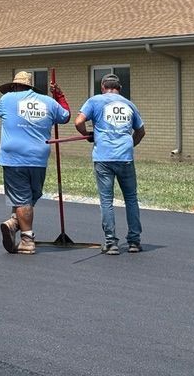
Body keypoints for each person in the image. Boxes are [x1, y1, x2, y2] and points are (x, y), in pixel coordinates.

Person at [0, 71, 70, 255]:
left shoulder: (6, 99)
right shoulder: (49, 102)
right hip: (38, 157)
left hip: (14, 157)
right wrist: (59, 95)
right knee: (29, 196)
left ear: (14, 86)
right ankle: (15, 224)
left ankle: (25, 237)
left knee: (22, 199)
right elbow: (66, 116)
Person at [74, 73, 146, 255]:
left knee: (107, 200)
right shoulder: (129, 104)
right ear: (120, 89)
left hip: (103, 157)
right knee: (131, 198)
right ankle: (134, 242)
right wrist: (130, 144)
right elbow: (141, 131)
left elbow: (78, 122)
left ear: (103, 87)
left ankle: (111, 242)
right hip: (125, 157)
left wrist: (88, 135)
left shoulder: (95, 101)